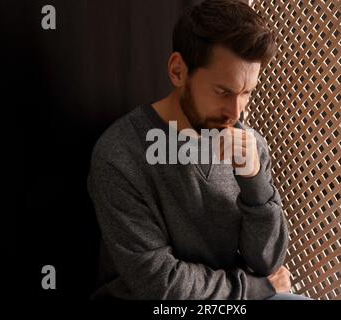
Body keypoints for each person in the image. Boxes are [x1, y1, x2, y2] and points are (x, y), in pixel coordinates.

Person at [87, 0, 311, 300]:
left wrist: (255, 181)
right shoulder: (120, 154)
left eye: (246, 93)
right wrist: (258, 288)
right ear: (178, 71)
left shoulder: (250, 144)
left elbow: (268, 261)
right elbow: (160, 285)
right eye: (223, 92)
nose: (236, 112)